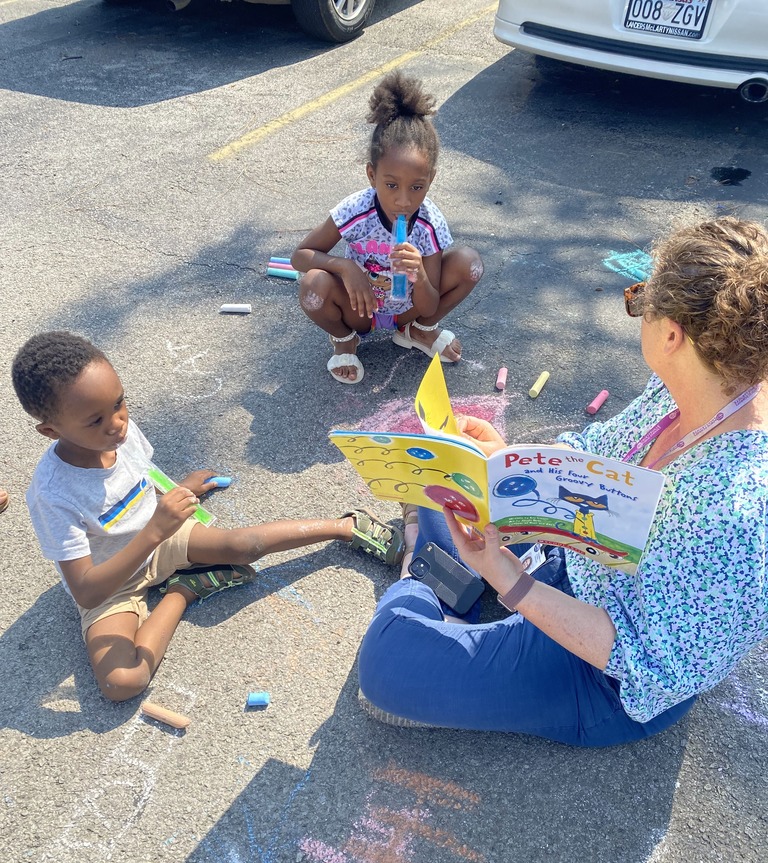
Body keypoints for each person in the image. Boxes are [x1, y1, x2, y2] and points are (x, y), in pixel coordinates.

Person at [358, 216, 768, 747]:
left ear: (672, 334)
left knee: (390, 659)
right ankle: (446, 579)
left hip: (605, 671)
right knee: (450, 477)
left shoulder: (739, 514)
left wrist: (508, 579)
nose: (637, 312)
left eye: (640, 300)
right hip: (584, 554)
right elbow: (596, 455)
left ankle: (431, 575)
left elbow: (644, 658)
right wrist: (505, 460)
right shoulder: (707, 382)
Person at [11, 331, 404, 704]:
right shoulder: (53, 494)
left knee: (242, 546)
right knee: (122, 683)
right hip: (109, 580)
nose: (117, 423)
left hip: (161, 540)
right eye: (95, 420)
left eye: (119, 403)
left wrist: (178, 489)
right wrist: (153, 532)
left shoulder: (120, 433)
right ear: (49, 430)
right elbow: (86, 591)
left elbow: (141, 473)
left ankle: (345, 527)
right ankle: (185, 590)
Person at [292, 70, 483, 384]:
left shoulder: (429, 224)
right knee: (313, 286)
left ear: (431, 179)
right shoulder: (357, 210)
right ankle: (344, 339)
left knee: (470, 264)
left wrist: (419, 274)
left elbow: (429, 302)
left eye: (417, 187)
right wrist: (344, 267)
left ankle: (417, 332)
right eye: (391, 185)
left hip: (407, 308)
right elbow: (301, 256)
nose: (404, 201)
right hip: (360, 309)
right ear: (371, 175)